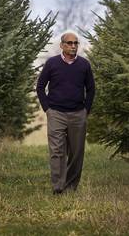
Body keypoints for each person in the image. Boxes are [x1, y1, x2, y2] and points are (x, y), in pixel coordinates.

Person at [36, 31, 95, 194]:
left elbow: (91, 89)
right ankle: (58, 187)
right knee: (56, 151)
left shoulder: (84, 65)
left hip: (78, 114)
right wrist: (47, 109)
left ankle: (70, 187)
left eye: (75, 43)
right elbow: (40, 87)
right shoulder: (52, 64)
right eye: (69, 43)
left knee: (76, 153)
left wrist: (86, 110)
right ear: (62, 45)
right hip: (56, 113)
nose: (73, 46)